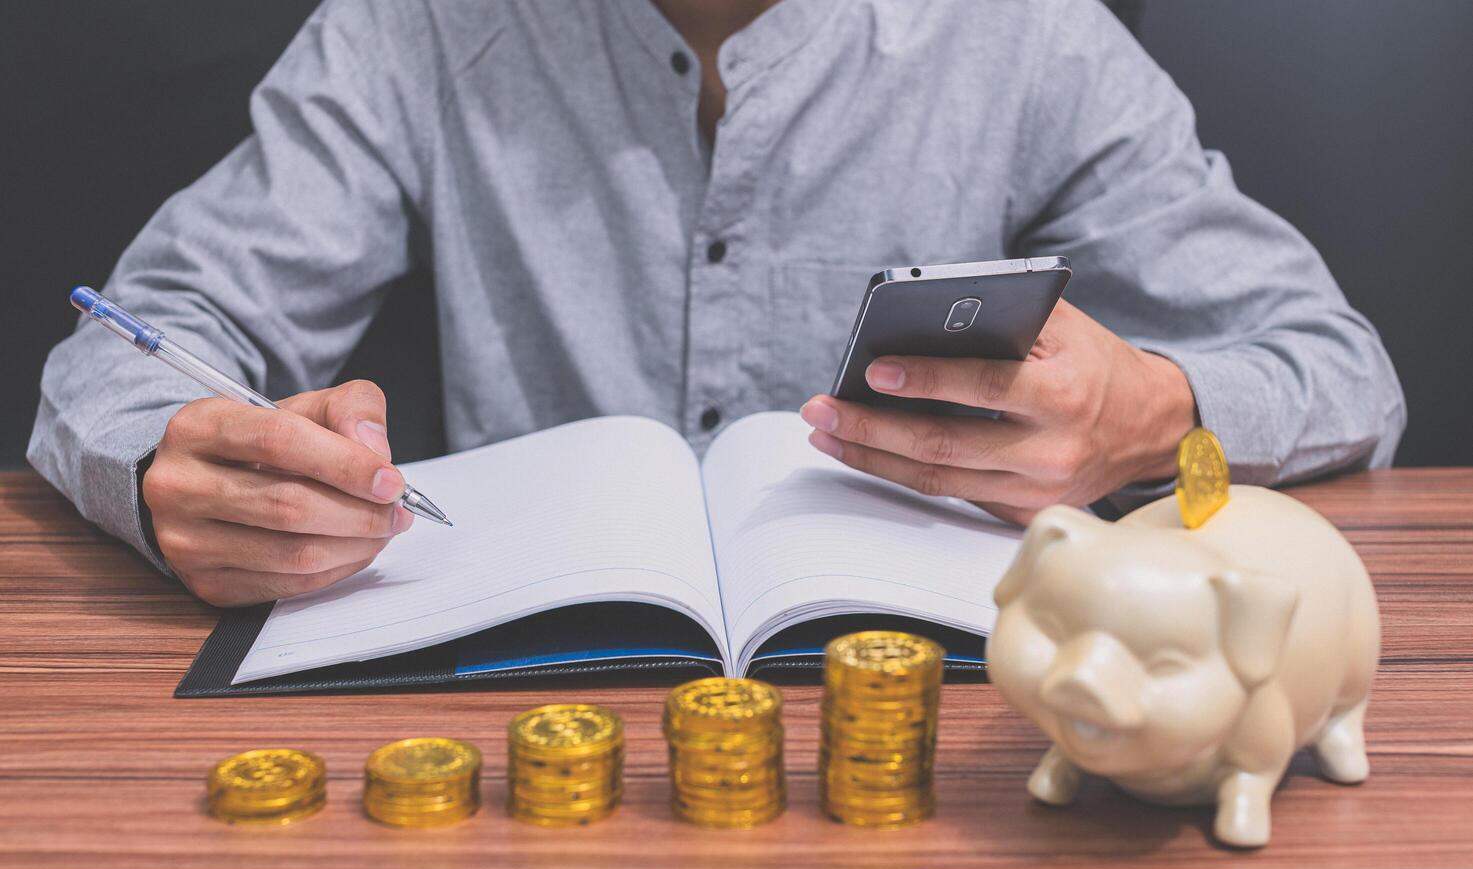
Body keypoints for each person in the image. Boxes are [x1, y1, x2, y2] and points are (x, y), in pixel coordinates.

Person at [28, 0, 1405, 607]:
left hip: (955, 732)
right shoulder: (417, 23)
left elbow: (1335, 369)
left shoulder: (1024, 33)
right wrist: (164, 466)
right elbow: (139, 337)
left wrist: (1158, 419)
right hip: (530, 720)